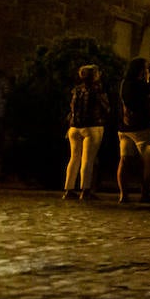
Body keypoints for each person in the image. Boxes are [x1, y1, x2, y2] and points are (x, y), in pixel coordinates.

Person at [117, 57, 150, 204]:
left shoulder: (125, 84)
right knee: (147, 162)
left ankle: (123, 195)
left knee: (124, 161)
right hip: (141, 128)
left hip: (125, 128)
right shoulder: (142, 85)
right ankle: (145, 194)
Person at [64, 64, 110, 200]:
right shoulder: (98, 90)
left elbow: (72, 109)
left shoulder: (76, 90)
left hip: (74, 127)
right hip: (92, 127)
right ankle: (85, 190)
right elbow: (106, 108)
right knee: (88, 160)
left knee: (74, 158)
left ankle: (69, 189)